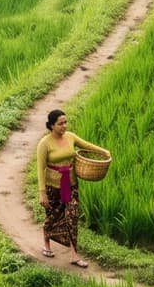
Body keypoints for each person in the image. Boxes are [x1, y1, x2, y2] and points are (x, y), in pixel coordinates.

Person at [33, 107, 107, 268]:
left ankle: (74, 255)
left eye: (65, 122)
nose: (64, 126)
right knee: (53, 216)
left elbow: (87, 145)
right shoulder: (44, 144)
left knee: (72, 216)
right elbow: (40, 169)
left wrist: (105, 152)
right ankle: (47, 245)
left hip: (71, 183)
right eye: (60, 123)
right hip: (53, 186)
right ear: (52, 125)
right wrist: (42, 193)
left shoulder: (70, 137)